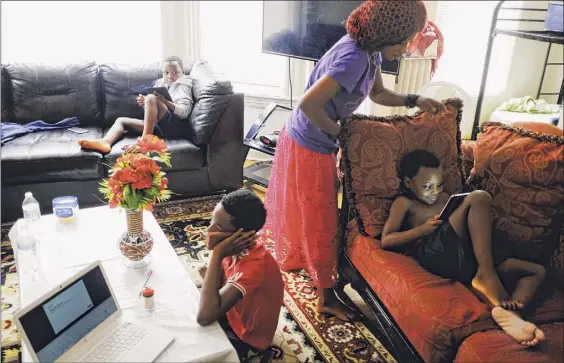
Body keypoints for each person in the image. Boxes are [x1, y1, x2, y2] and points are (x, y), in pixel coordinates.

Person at [264, 0, 443, 321]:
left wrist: (417, 99)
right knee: (322, 218)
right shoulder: (352, 58)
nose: (406, 49)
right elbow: (308, 104)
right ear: (386, 34)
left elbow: (379, 96)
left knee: (313, 211)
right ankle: (326, 296)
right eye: (404, 41)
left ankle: (317, 272)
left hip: (311, 139)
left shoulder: (370, 52)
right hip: (310, 145)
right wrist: (341, 137)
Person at [381, 149, 546, 346]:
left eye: (439, 185)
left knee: (536, 272)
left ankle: (512, 311)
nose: (435, 192)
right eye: (427, 186)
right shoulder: (404, 203)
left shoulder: (444, 198)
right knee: (479, 197)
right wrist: (422, 231)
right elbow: (386, 240)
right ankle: (486, 273)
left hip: (468, 256)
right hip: (436, 251)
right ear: (409, 183)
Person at [197, 189, 284, 358]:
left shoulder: (254, 265)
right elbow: (219, 284)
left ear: (241, 235)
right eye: (211, 221)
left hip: (245, 334)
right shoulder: (235, 248)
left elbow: (205, 316)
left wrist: (217, 254)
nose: (209, 230)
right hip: (231, 311)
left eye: (218, 227)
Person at [78, 56, 194, 153]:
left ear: (182, 72)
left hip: (175, 126)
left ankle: (144, 142)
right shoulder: (161, 82)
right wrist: (146, 103)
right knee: (121, 121)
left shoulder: (183, 85)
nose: (170, 76)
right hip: (160, 125)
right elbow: (153, 113)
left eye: (175, 72)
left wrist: (163, 101)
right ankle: (106, 142)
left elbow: (184, 113)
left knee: (151, 97)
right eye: (166, 72)